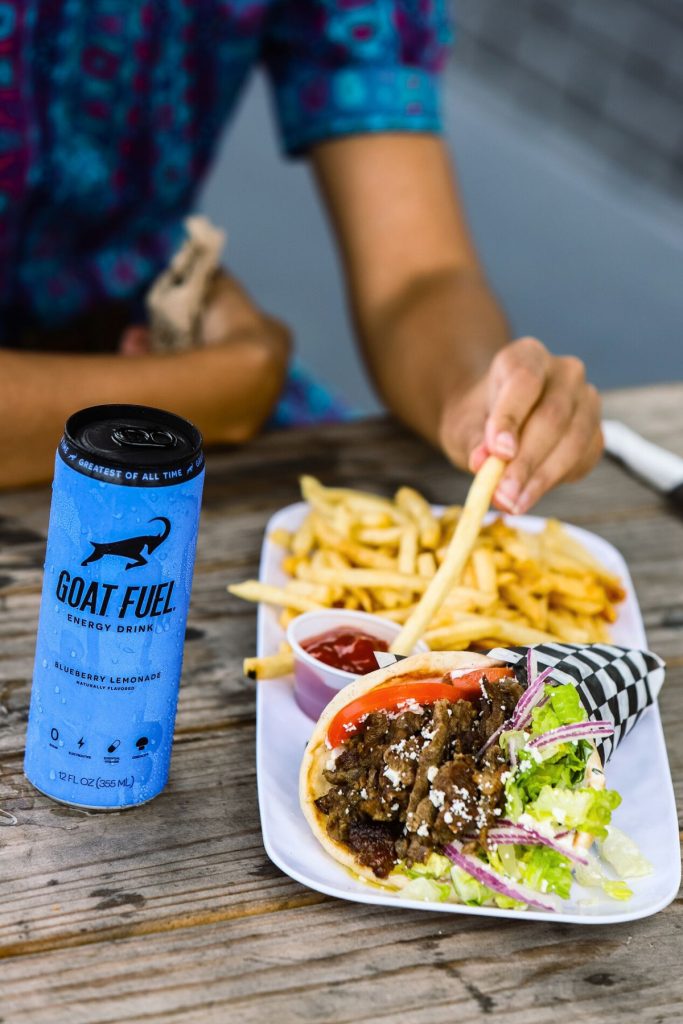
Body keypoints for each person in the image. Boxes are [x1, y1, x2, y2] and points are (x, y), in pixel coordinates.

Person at [0, 1, 602, 503]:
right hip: (197, 387)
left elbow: (420, 274)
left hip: (176, 347)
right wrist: (219, 387)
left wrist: (476, 397)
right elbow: (238, 384)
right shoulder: (238, 376)